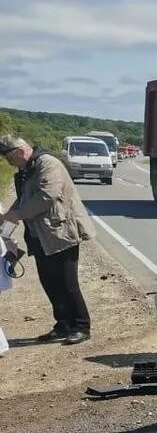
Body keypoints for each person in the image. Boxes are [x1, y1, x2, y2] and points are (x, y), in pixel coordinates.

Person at [0, 135, 94, 344]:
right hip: (39, 235)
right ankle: (63, 325)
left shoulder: (48, 164)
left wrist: (17, 215)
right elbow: (23, 198)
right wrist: (6, 217)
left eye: (10, 159)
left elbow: (46, 196)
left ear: (20, 152)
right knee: (49, 282)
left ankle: (81, 326)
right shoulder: (27, 170)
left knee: (67, 283)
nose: (10, 163)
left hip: (61, 232)